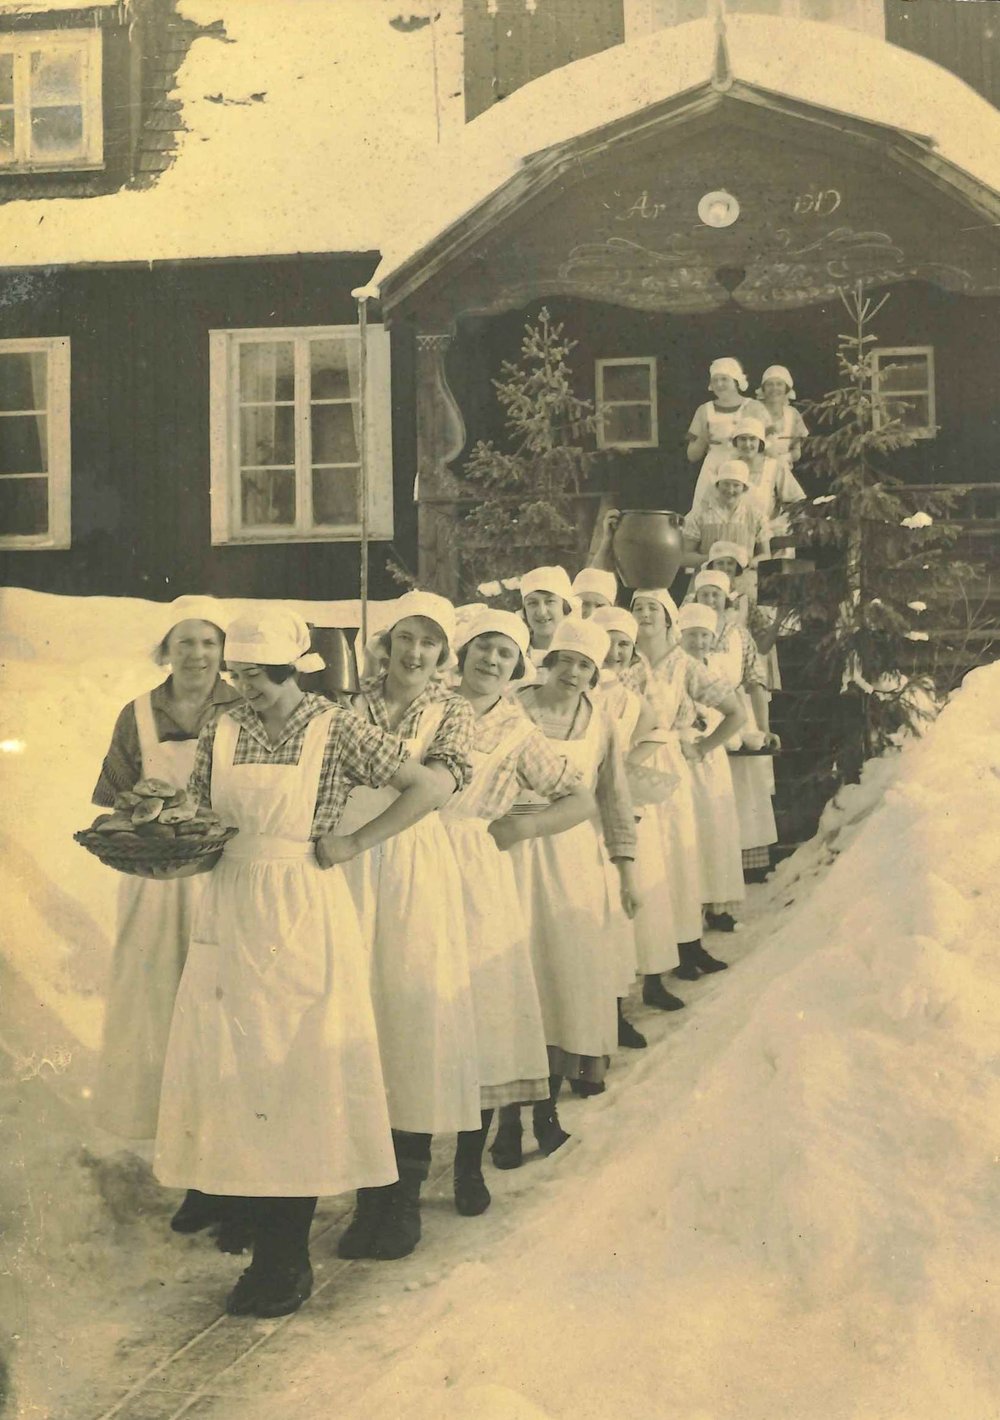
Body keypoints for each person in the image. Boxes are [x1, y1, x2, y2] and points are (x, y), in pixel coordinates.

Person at [153, 609, 443, 1319]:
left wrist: (355, 842)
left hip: (304, 910)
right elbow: (202, 815)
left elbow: (429, 787)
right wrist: (166, 832)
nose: (243, 687)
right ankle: (258, 1230)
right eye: (238, 674)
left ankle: (285, 1258)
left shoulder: (334, 726)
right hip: (231, 907)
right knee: (238, 1074)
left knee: (298, 1077)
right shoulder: (222, 727)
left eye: (255, 675)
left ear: (290, 669)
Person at [92, 597, 246, 1242]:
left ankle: (236, 1179)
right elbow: (111, 803)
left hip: (224, 881)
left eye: (209, 642)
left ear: (224, 651)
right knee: (164, 1022)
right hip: (157, 889)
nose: (198, 655)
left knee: (226, 1023)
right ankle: (195, 1177)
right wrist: (138, 816)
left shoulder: (244, 706)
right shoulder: (136, 714)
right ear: (166, 649)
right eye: (185, 642)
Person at [336, 590, 479, 1263]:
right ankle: (368, 1191)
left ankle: (403, 1198)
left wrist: (367, 823)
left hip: (412, 868)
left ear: (444, 653)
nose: (415, 653)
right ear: (385, 644)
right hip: (346, 870)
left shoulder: (453, 712)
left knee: (410, 1019)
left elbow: (438, 789)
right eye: (405, 638)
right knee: (356, 1018)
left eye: (429, 642)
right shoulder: (346, 705)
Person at [442, 609, 597, 1177]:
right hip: (413, 860)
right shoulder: (430, 708)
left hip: (476, 870)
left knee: (484, 1009)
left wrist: (524, 827)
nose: (491, 660)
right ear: (463, 652)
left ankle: (467, 1165)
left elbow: (580, 799)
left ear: (517, 667)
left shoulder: (517, 731)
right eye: (483, 647)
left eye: (505, 653)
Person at [501, 618, 640, 1146]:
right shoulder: (512, 707)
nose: (574, 673)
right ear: (549, 661)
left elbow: (614, 797)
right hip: (509, 849)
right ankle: (507, 1122)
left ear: (595, 674)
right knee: (514, 981)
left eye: (585, 666)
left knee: (564, 983)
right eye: (566, 661)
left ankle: (546, 1113)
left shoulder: (601, 722)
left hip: (572, 860)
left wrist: (626, 870)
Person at [629, 588, 744, 981]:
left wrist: (703, 747)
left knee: (678, 857)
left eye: (652, 608)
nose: (644, 614)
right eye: (637, 607)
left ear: (668, 618)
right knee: (645, 862)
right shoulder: (623, 659)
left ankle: (688, 946)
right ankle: (651, 960)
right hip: (631, 765)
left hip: (672, 768)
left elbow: (735, 712)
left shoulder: (684, 664)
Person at [594, 605, 684, 1020]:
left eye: (623, 645)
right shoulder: (578, 688)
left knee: (641, 889)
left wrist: (626, 764)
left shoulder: (631, 694)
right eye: (608, 642)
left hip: (623, 797)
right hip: (585, 806)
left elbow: (657, 731)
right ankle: (611, 1005)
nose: (615, 652)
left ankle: (652, 981)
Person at [693, 571, 780, 889]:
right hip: (699, 715)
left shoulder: (740, 635)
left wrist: (764, 728)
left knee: (744, 789)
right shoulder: (685, 632)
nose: (710, 600)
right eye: (704, 594)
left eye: (715, 594)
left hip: (736, 714)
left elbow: (756, 682)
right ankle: (708, 863)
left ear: (726, 599)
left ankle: (748, 864)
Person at [676, 603, 746, 930]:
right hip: (685, 755)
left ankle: (718, 905)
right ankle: (693, 907)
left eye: (705, 635)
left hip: (712, 753)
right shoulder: (677, 669)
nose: (699, 642)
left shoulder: (717, 670)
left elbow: (732, 710)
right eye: (692, 635)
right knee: (692, 831)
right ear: (680, 636)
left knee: (716, 829)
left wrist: (710, 742)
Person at [686, 357, 767, 492]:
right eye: (715, 380)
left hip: (747, 469)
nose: (719, 384)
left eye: (724, 379)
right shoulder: (704, 410)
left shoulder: (755, 407)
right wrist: (704, 438)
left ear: (736, 381)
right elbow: (692, 455)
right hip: (714, 470)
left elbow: (769, 446)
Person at [682, 460, 771, 573]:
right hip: (708, 578)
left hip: (744, 577)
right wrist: (713, 560)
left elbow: (765, 555)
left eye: (736, 485)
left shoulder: (756, 516)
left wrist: (749, 562)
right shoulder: (699, 515)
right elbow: (685, 557)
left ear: (744, 488)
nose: (730, 490)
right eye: (726, 484)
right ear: (717, 485)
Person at [519, 565, 575, 673]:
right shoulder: (516, 654)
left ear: (565, 607)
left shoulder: (578, 656)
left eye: (550, 601)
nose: (541, 612)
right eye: (532, 603)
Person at [757, 364, 808, 475]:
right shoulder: (754, 410)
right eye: (770, 384)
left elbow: (796, 451)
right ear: (763, 388)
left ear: (786, 388)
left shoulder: (793, 414)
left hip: (782, 471)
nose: (774, 388)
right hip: (755, 470)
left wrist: (785, 458)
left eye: (779, 384)